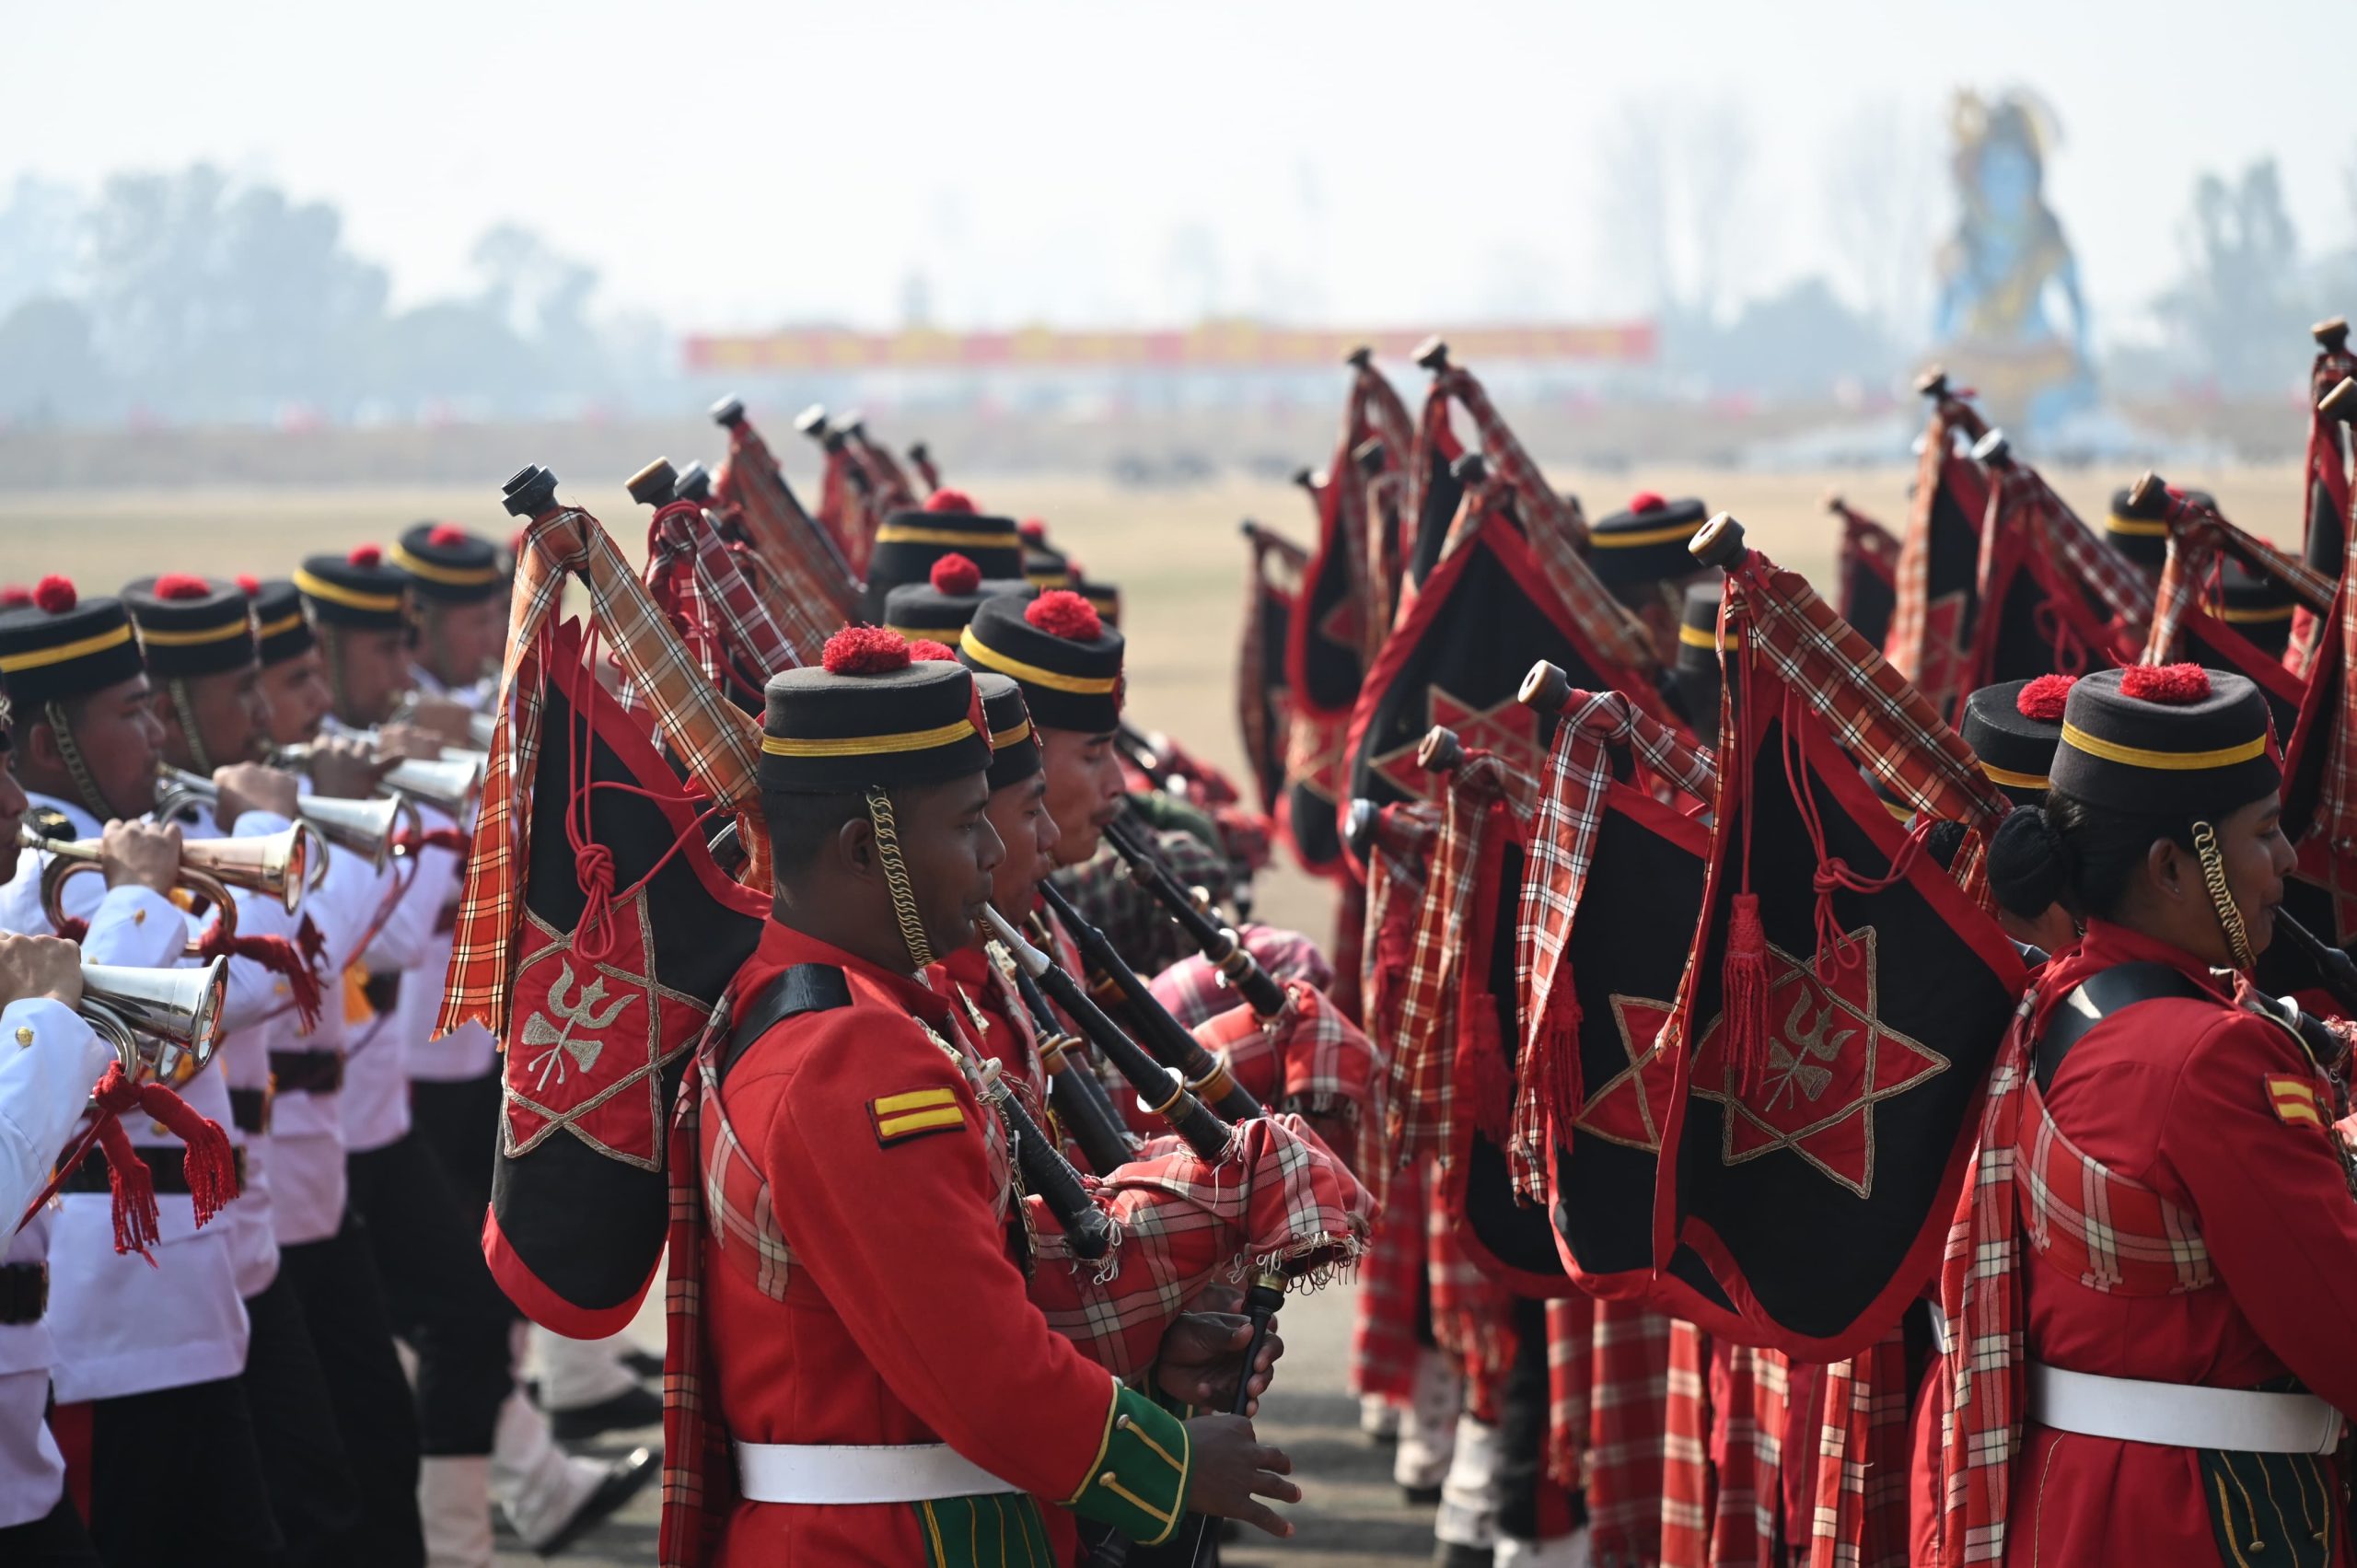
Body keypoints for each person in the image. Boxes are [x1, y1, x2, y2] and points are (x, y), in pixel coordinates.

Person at [668, 628, 1300, 1563]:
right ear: (860, 847)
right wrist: (1165, 1460)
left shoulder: (834, 1012)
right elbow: (977, 1364)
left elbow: (957, 1287)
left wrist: (1145, 1359)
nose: (998, 849)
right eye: (968, 823)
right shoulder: (853, 1059)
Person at [1956, 662, 2357, 1566]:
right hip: (2209, 1518)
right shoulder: (2209, 1059)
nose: (2288, 861)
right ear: (2174, 866)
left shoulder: (2067, 1000)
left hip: (2082, 1500)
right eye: (2262, 835)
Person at [299, 548, 648, 1567]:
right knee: (441, 1313)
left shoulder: (361, 746)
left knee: (448, 1307)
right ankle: (505, 1507)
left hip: (411, 1085)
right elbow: (399, 939)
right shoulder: (301, 779)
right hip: (382, 1087)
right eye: (384, 643)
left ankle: (513, 1501)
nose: (394, 663)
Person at [0, 575, 299, 1567]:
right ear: (58, 748)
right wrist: (138, 896)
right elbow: (150, 1043)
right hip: (107, 1318)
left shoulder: (106, 858)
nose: (162, 734)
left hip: (173, 1294)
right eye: (133, 711)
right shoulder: (32, 878)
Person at [387, 522, 659, 1448]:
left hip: (487, 1026)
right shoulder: (400, 718)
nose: (480, 631)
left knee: (490, 1249)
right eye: (465, 615)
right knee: (446, 1281)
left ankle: (533, 1432)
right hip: (411, 1043)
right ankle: (509, 1462)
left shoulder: (467, 698)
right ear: (417, 623)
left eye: (485, 611)